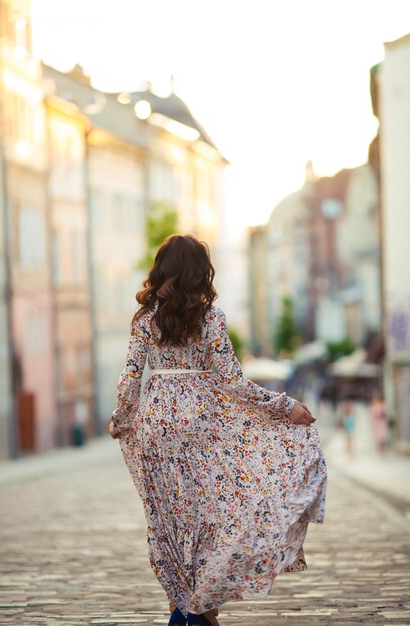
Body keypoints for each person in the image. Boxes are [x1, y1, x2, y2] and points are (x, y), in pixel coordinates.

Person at [108, 234, 327, 626]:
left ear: (161, 269)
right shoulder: (211, 316)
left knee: (168, 524)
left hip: (156, 429)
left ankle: (186, 610)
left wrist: (120, 420)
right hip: (202, 428)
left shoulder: (145, 318)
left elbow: (129, 381)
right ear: (199, 271)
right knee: (211, 520)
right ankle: (197, 613)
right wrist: (284, 405)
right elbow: (233, 381)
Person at [370, 390, 388, 454]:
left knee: (382, 436)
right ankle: (380, 448)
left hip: (382, 423)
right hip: (377, 423)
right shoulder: (373, 406)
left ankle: (383, 448)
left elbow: (385, 413)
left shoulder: (383, 405)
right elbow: (372, 415)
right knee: (379, 436)